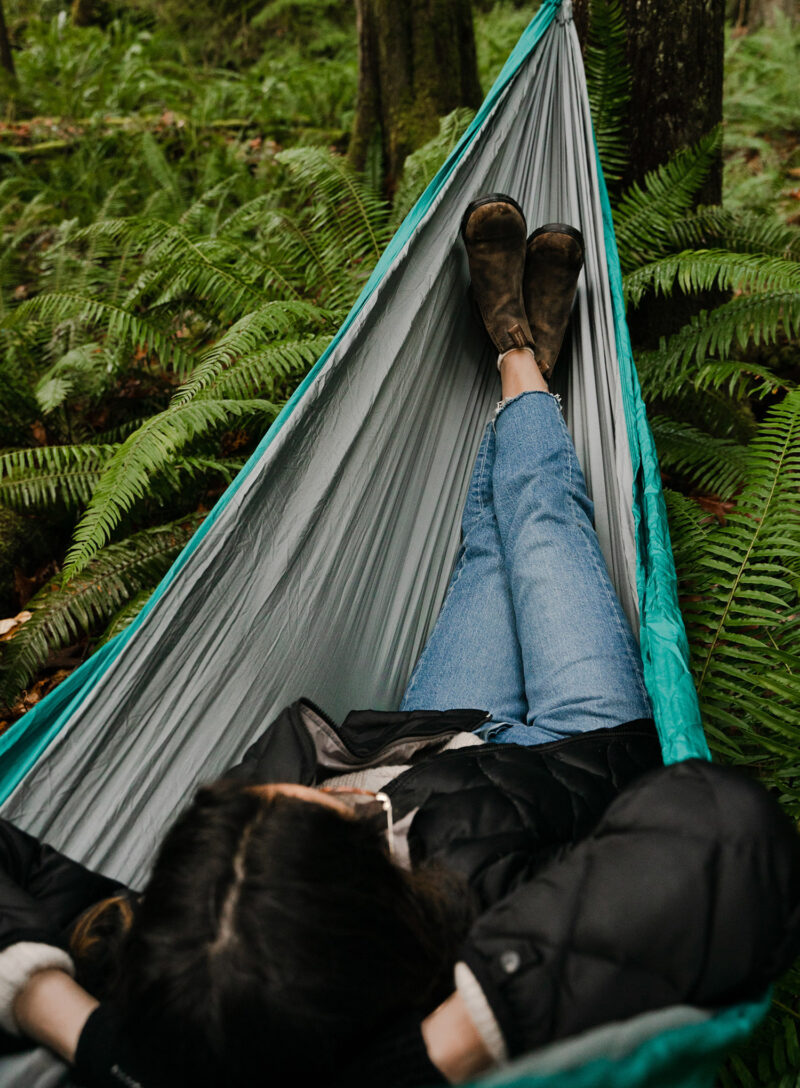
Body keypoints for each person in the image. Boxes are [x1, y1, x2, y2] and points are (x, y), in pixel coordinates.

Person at [1, 195, 800, 1088]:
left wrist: (73, 1021)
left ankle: (520, 356)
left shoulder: (176, 962)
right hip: (574, 743)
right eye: (337, 817)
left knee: (493, 544)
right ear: (380, 919)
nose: (327, 794)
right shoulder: (470, 936)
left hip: (426, 731)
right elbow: (722, 829)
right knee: (538, 521)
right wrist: (439, 1051)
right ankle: (519, 359)